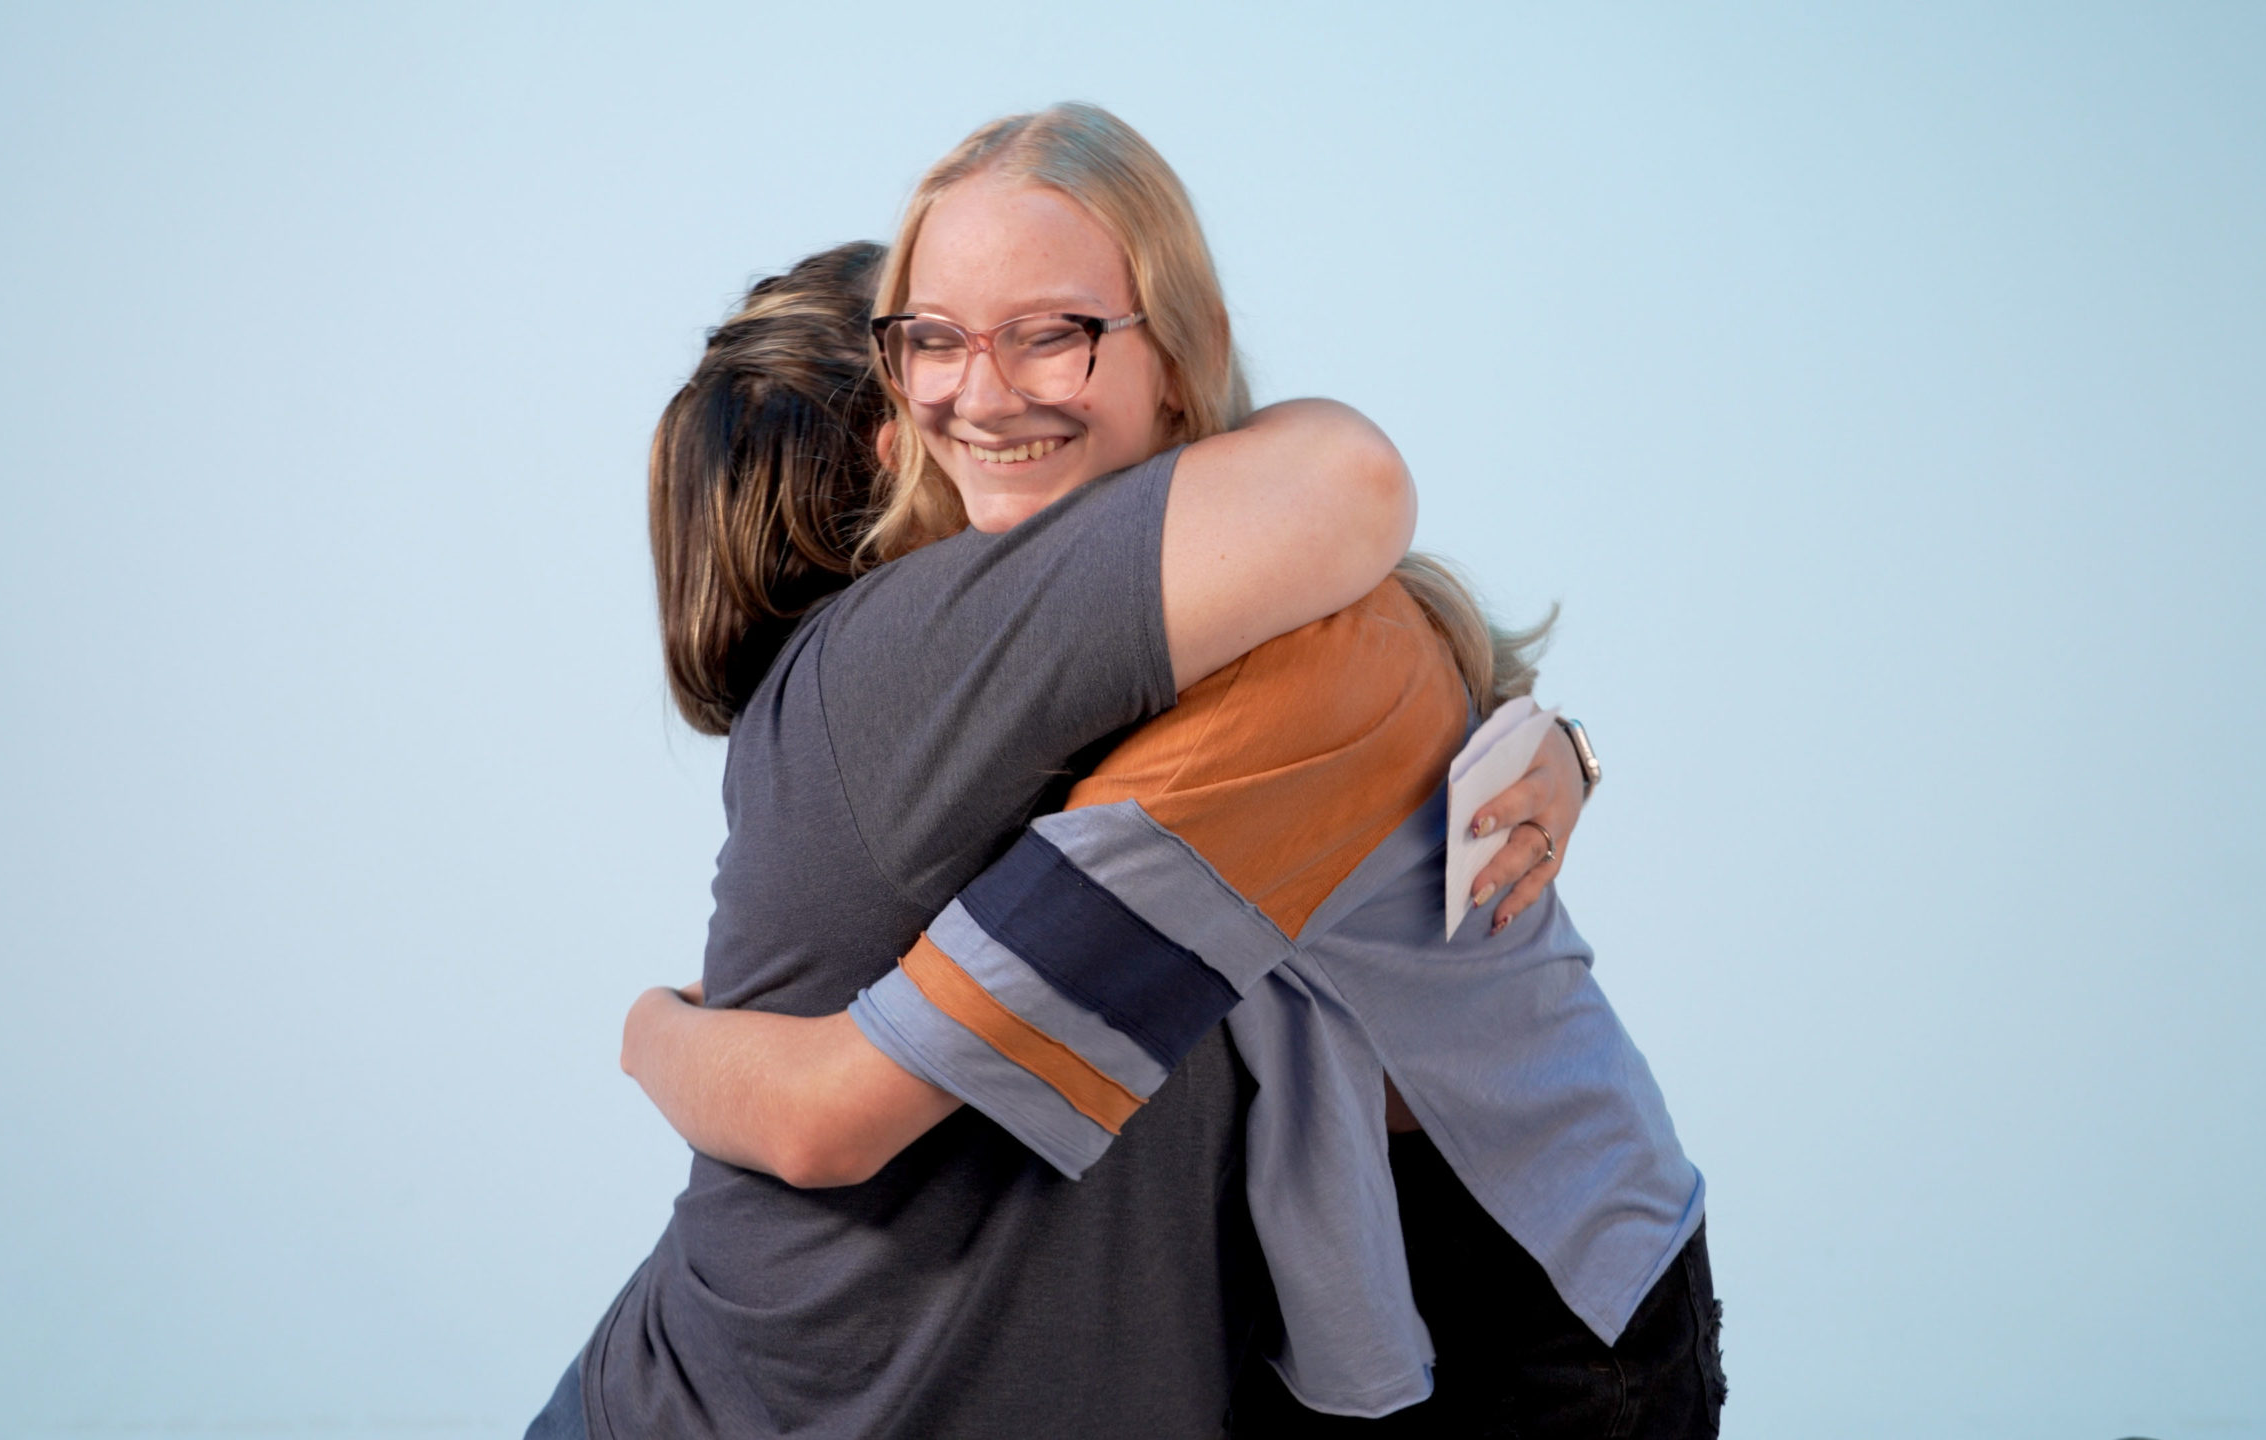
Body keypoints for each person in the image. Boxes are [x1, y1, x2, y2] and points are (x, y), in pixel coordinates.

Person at [547, 105, 1717, 1439]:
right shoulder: (1083, 651)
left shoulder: (1291, 665)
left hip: (1524, 1289)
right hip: (1334, 1298)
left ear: (1175, 355)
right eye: (932, 341)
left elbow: (838, 1110)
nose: (981, 395)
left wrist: (655, 1033)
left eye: (1051, 332)